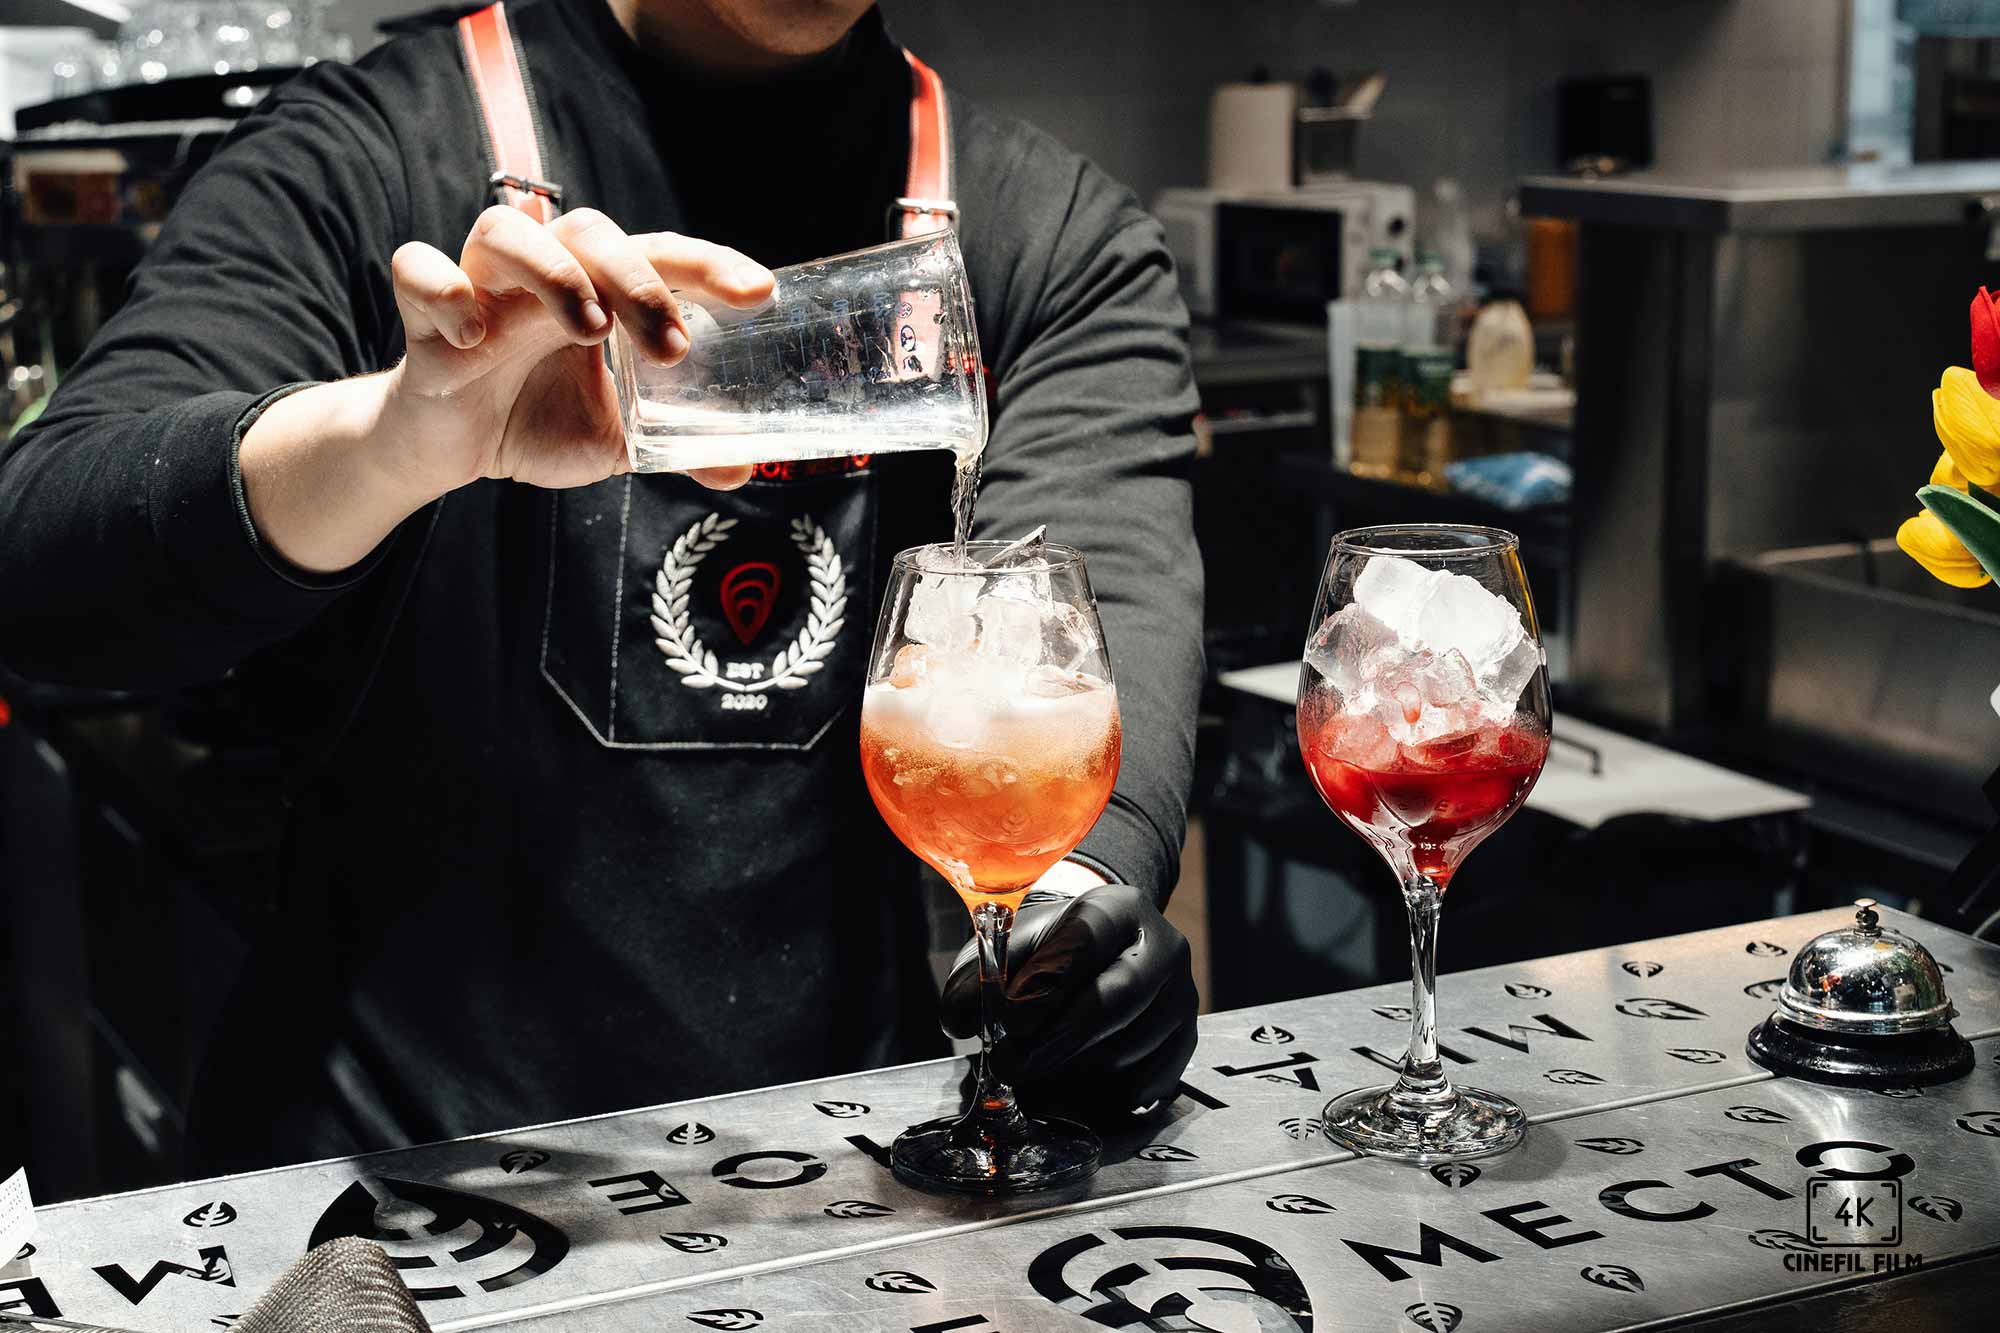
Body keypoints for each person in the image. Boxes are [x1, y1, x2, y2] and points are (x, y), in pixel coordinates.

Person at [0, 0, 1203, 1174]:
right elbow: (41, 571)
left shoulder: (1049, 233)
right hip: (400, 1172)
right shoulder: (365, 154)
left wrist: (1061, 925)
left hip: (843, 1169)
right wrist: (390, 442)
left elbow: (1097, 599)